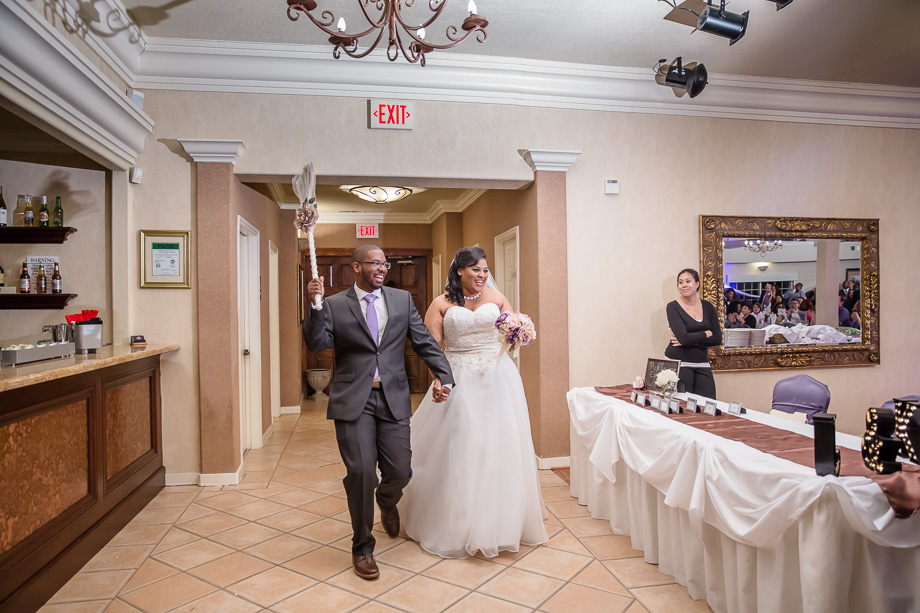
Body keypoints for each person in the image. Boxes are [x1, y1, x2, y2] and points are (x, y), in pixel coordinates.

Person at [303, 244, 455, 580]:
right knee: (361, 474)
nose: (382, 268)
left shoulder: (401, 301)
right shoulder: (333, 304)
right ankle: (362, 548)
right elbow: (317, 344)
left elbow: (424, 341)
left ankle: (387, 501)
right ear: (356, 267)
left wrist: (444, 377)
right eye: (375, 263)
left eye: (385, 264)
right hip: (352, 400)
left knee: (400, 471)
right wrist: (313, 306)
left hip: (393, 397)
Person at [400, 247, 548, 559]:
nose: (481, 276)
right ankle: (458, 523)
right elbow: (432, 348)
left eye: (484, 270)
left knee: (500, 445)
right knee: (464, 445)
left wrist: (519, 334)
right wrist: (439, 380)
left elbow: (514, 328)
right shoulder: (441, 304)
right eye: (475, 270)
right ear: (459, 271)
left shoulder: (497, 297)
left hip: (498, 379)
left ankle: (502, 523)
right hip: (459, 378)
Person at [666, 268, 722, 398]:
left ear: (697, 284)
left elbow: (717, 339)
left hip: (702, 362)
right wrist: (706, 333)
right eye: (680, 282)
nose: (684, 285)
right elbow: (683, 338)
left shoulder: (708, 307)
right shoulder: (673, 307)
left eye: (688, 281)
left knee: (708, 405)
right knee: (684, 408)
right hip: (680, 362)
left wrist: (690, 340)